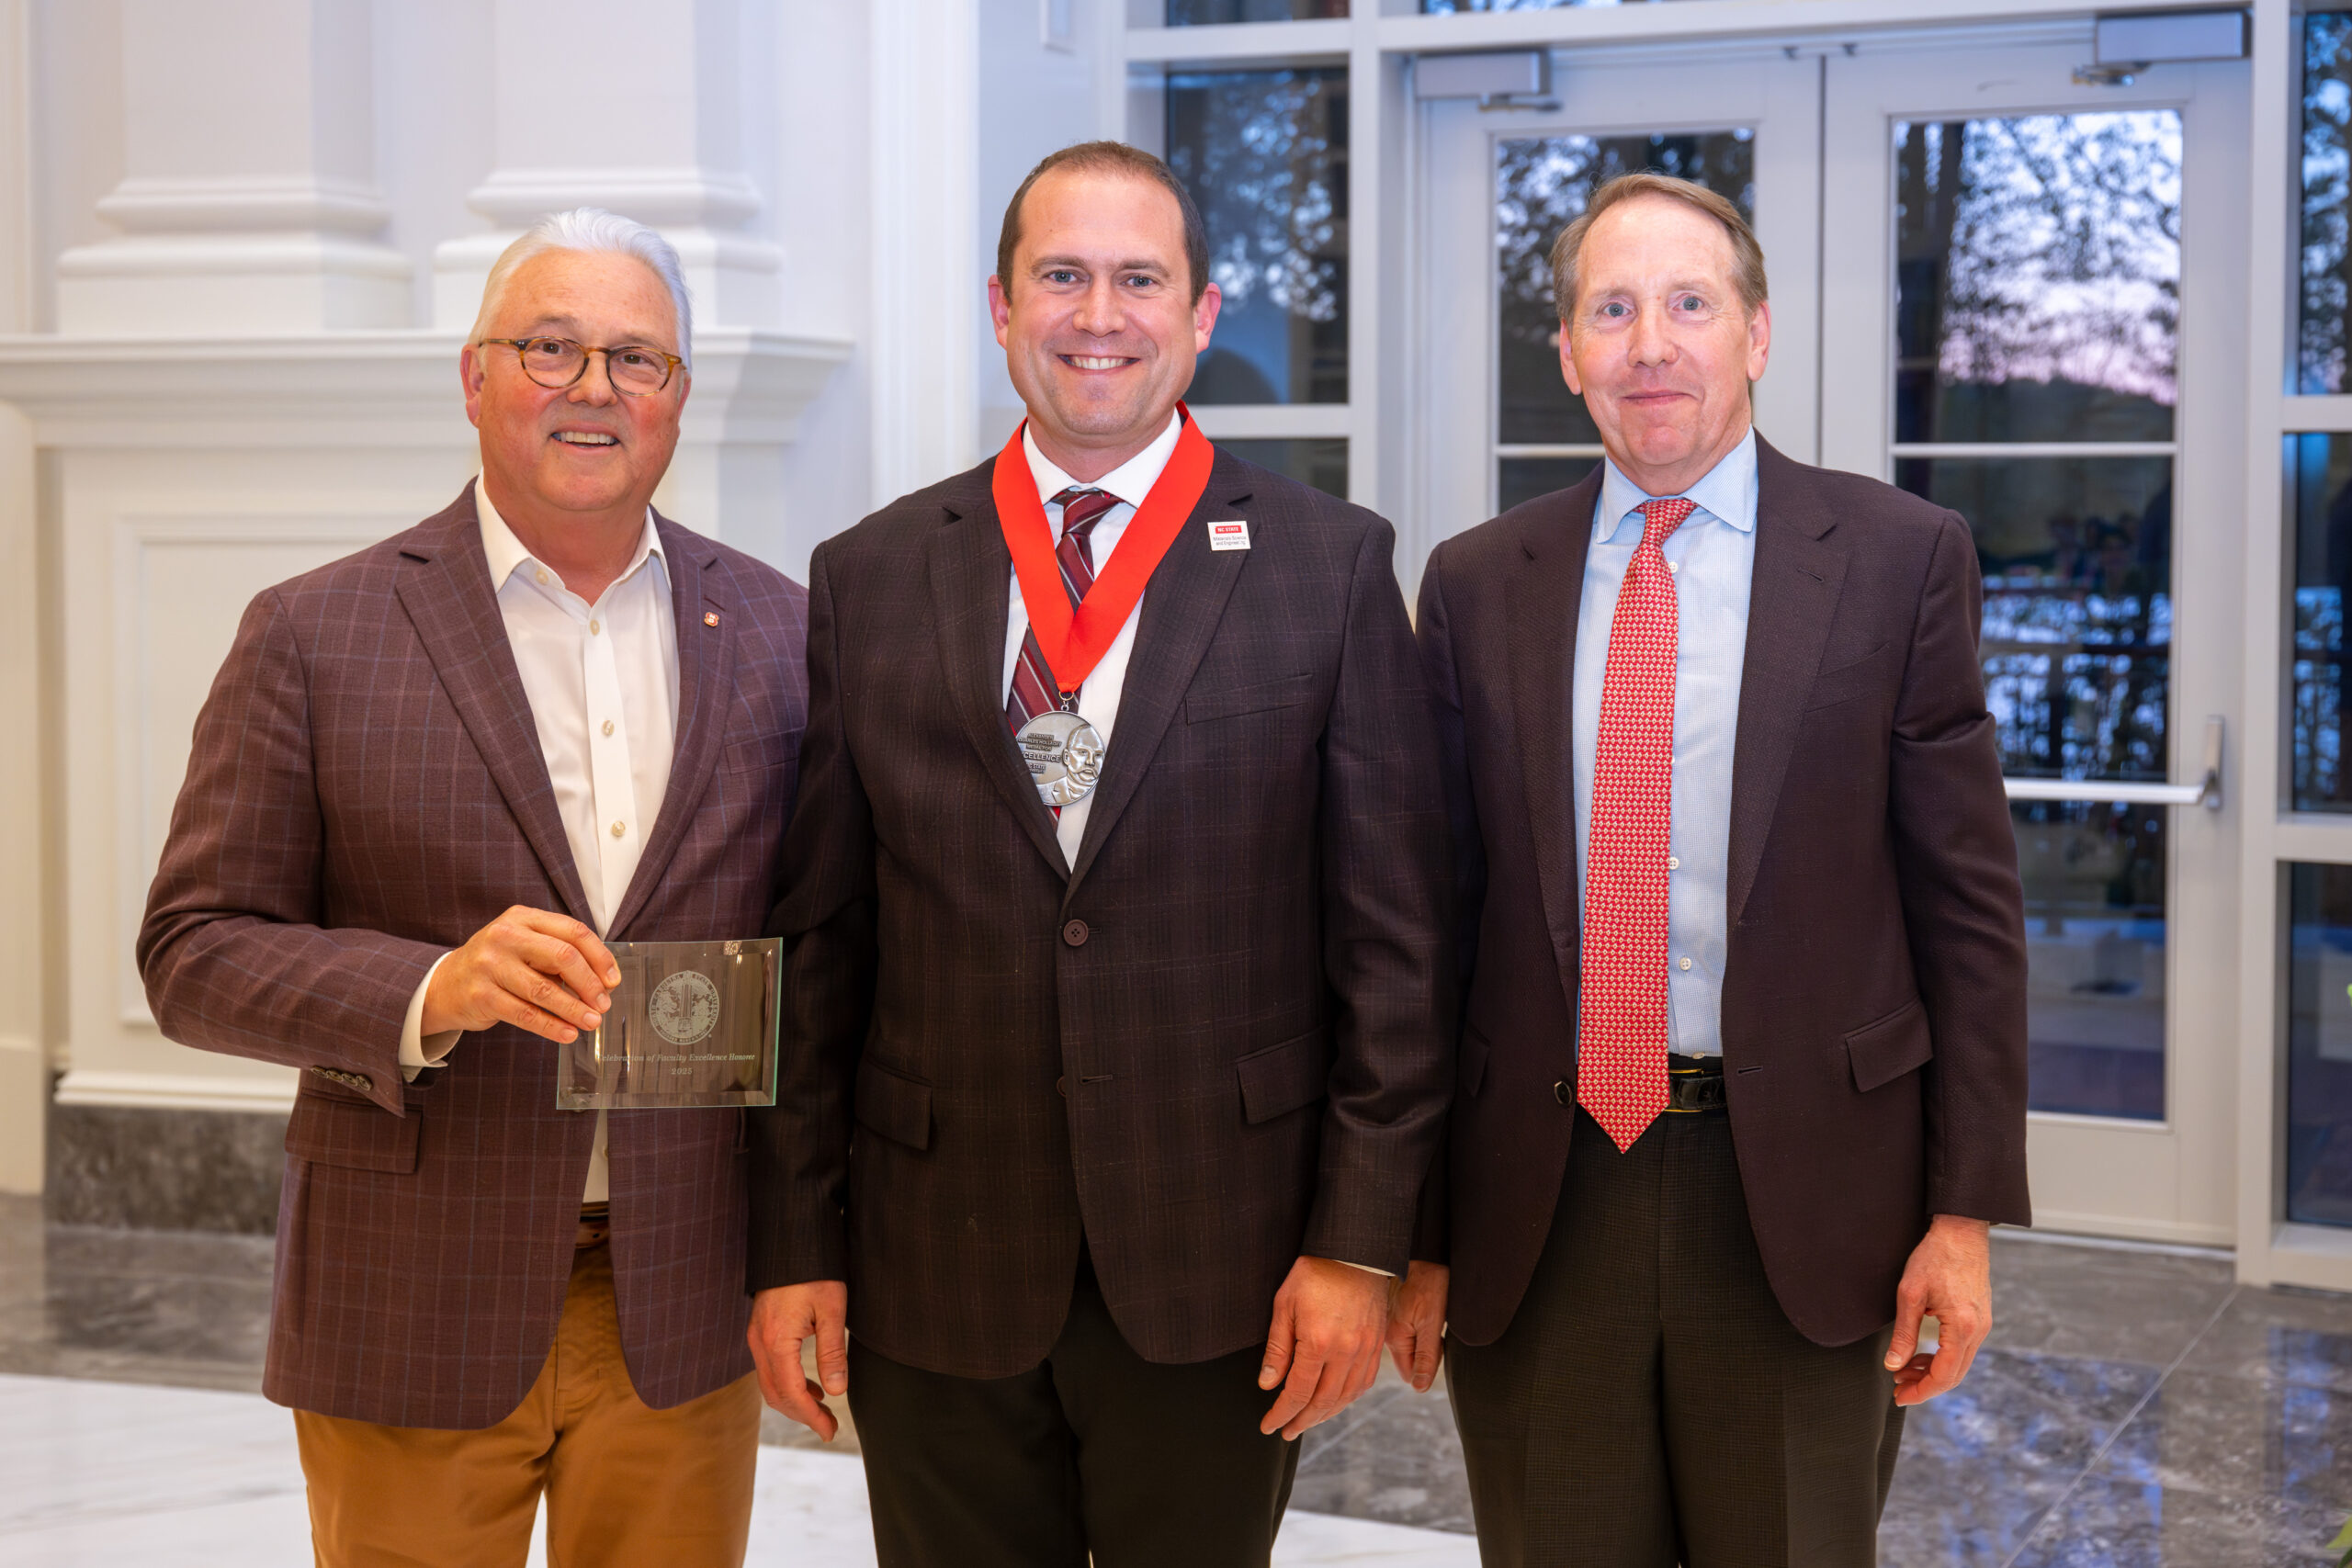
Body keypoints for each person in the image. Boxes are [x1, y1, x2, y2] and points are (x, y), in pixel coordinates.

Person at [745, 141, 1453, 1568]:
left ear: (1200, 315)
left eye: (1140, 279)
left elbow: (1397, 947)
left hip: (1223, 1259)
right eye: (1060, 275)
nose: (1098, 314)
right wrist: (793, 1244)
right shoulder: (871, 573)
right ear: (999, 308)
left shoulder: (1327, 564)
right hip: (931, 1256)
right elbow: (819, 946)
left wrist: (1361, 1242)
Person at [136, 209, 808, 1568]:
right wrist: (431, 986)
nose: (594, 389)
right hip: (413, 1287)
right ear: (473, 375)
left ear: (680, 395)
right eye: (551, 349)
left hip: (680, 1302)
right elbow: (193, 951)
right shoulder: (314, 632)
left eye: (637, 358)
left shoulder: (789, 631)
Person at [1416, 172, 2030, 1567]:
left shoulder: (1897, 559)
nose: (1652, 345)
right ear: (1567, 353)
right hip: (1540, 1205)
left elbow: (1969, 913)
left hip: (1813, 1206)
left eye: (1690, 304)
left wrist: (1965, 1210)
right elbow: (1431, 925)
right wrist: (1415, 1228)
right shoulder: (1473, 584)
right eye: (1611, 310)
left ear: (1755, 334)